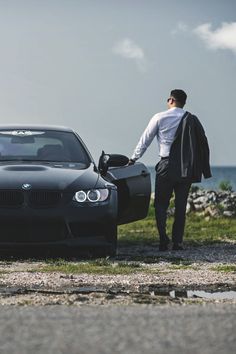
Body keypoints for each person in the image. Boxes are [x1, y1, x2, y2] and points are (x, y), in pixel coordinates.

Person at [128, 89, 211, 251]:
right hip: (185, 167)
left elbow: (145, 140)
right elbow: (202, 143)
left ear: (171, 100)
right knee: (181, 205)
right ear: (184, 102)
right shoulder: (191, 119)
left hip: (166, 165)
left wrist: (133, 159)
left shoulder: (159, 117)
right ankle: (178, 242)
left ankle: (163, 240)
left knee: (160, 204)